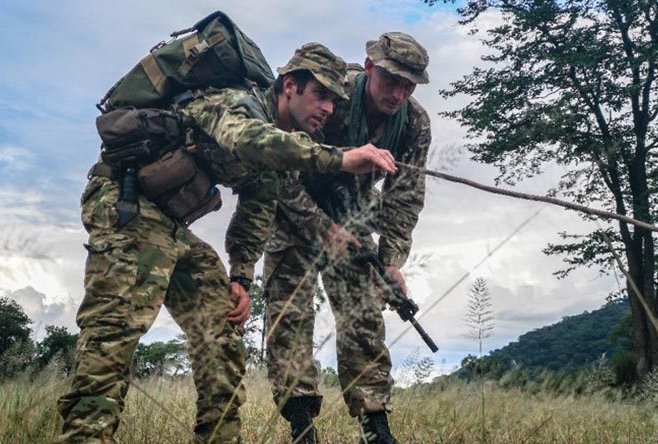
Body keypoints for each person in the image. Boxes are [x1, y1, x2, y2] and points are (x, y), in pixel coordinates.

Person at [56, 42, 398, 444]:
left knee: (223, 337)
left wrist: (240, 276)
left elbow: (256, 213)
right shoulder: (237, 104)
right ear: (289, 86)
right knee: (114, 333)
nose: (327, 108)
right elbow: (248, 140)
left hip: (170, 225)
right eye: (319, 94)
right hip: (125, 205)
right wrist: (338, 158)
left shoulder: (279, 151)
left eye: (335, 101)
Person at [263, 32, 431, 444]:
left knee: (363, 317)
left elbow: (405, 197)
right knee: (289, 317)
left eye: (408, 85)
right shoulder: (330, 95)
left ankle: (375, 424)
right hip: (292, 211)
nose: (398, 93)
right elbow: (278, 169)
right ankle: (301, 425)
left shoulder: (413, 124)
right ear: (370, 69)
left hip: (352, 216)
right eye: (391, 80)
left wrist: (391, 262)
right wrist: (320, 227)